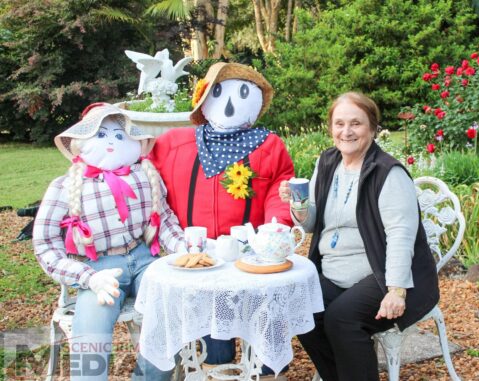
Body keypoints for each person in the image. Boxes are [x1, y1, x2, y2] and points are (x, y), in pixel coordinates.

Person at [278, 92, 440, 381]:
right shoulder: (327, 162)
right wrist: (297, 204)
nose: (346, 131)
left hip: (381, 274)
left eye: (356, 123)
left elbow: (401, 236)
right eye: (339, 123)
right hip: (333, 270)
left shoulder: (388, 173)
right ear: (331, 128)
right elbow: (312, 223)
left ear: (373, 128)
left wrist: (396, 290)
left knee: (342, 319)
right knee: (299, 306)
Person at [151, 62, 294, 380]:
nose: (230, 103)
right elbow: (145, 176)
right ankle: (218, 370)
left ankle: (268, 372)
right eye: (219, 92)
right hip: (199, 259)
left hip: (252, 257)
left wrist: (274, 229)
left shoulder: (269, 145)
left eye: (243, 94)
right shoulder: (175, 143)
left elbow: (278, 188)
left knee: (263, 318)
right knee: (214, 329)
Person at [33, 103, 186, 380]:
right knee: (90, 334)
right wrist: (87, 277)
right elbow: (45, 244)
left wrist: (184, 249)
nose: (112, 143)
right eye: (101, 135)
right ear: (82, 143)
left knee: (165, 313)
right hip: (98, 267)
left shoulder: (144, 177)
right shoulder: (64, 187)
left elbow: (164, 221)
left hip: (144, 261)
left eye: (119, 135)